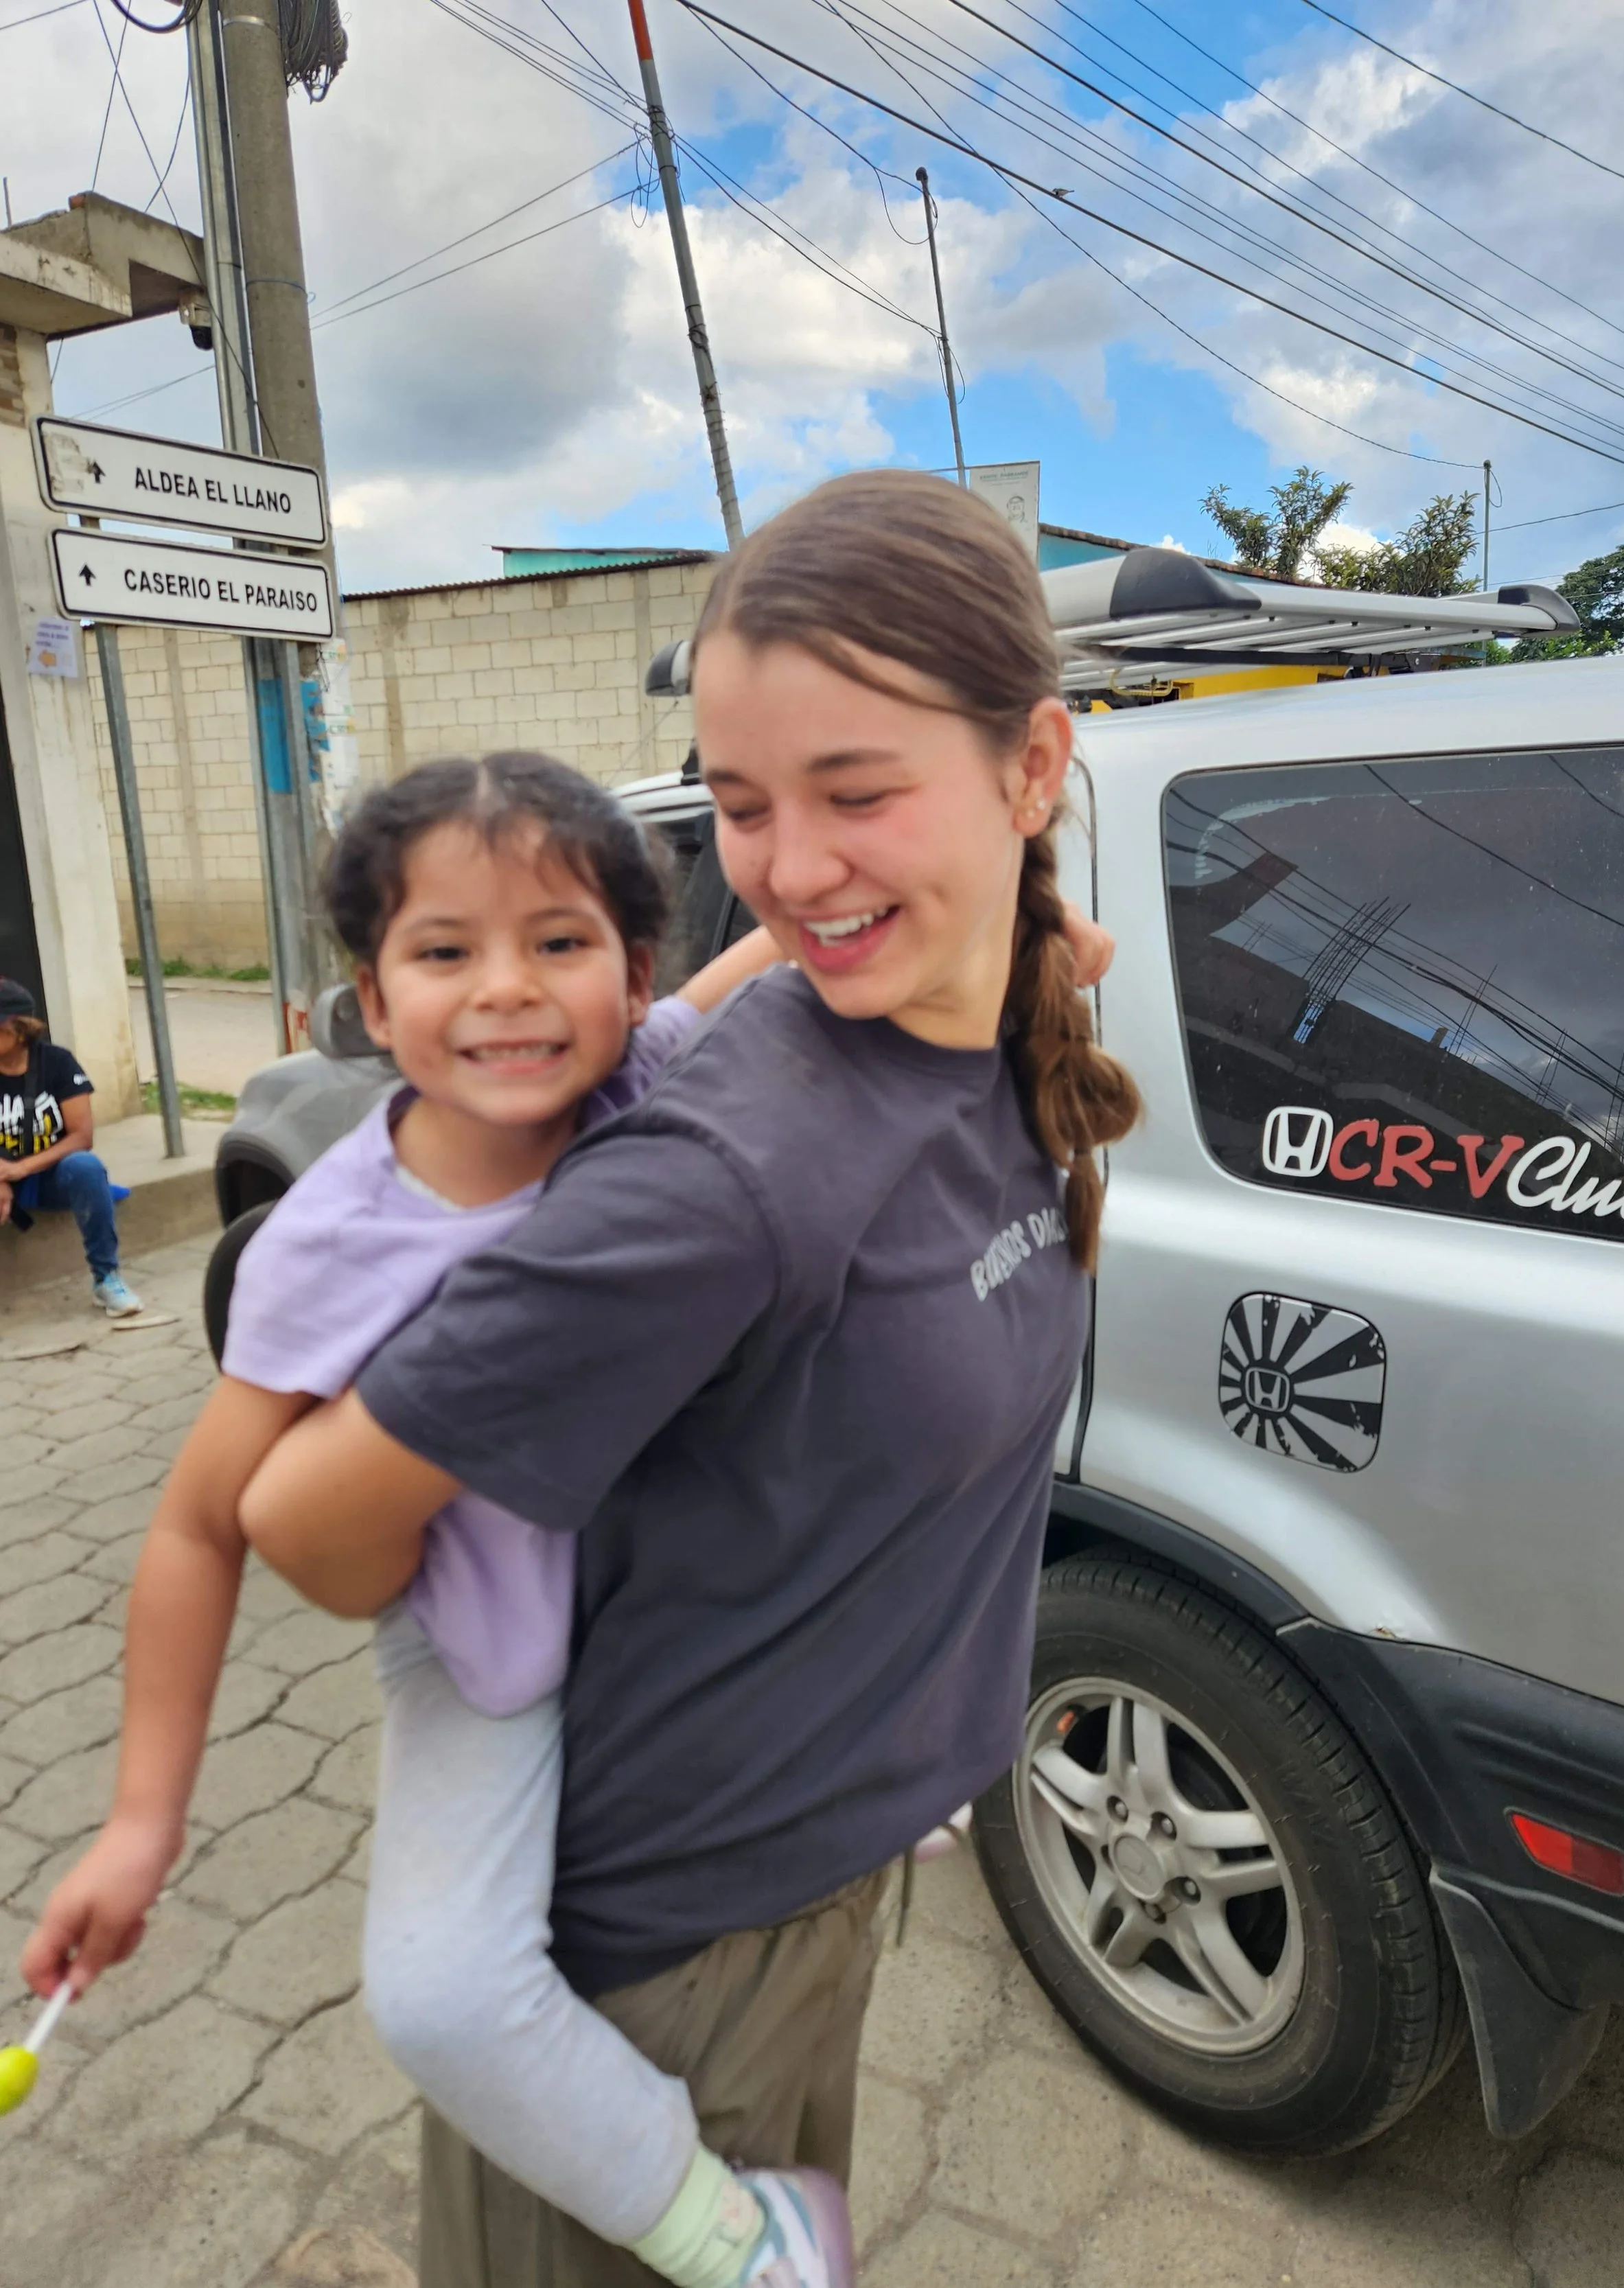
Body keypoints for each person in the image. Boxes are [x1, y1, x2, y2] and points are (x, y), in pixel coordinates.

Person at [23, 745, 1117, 2288]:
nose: (508, 993)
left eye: (558, 943)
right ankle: (721, 2225)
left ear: (628, 966)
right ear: (365, 996)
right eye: (445, 950)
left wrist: (1012, 938)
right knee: (441, 1999)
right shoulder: (328, 1243)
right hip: (481, 1660)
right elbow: (205, 1528)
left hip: (661, 1606)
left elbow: (769, 967)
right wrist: (143, 1822)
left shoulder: (645, 1081)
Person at [223, 470, 1143, 2288]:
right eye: (738, 807)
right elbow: (307, 1528)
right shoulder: (718, 1186)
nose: (790, 867)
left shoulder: (997, 1009)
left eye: (852, 790)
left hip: (822, 1885)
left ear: (1030, 768)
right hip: (645, 1980)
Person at [0, 978, 143, 1317]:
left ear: (18, 1029)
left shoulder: (57, 1063)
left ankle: (106, 1278)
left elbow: (82, 1136)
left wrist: (19, 1169)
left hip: (48, 1176)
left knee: (86, 1167)